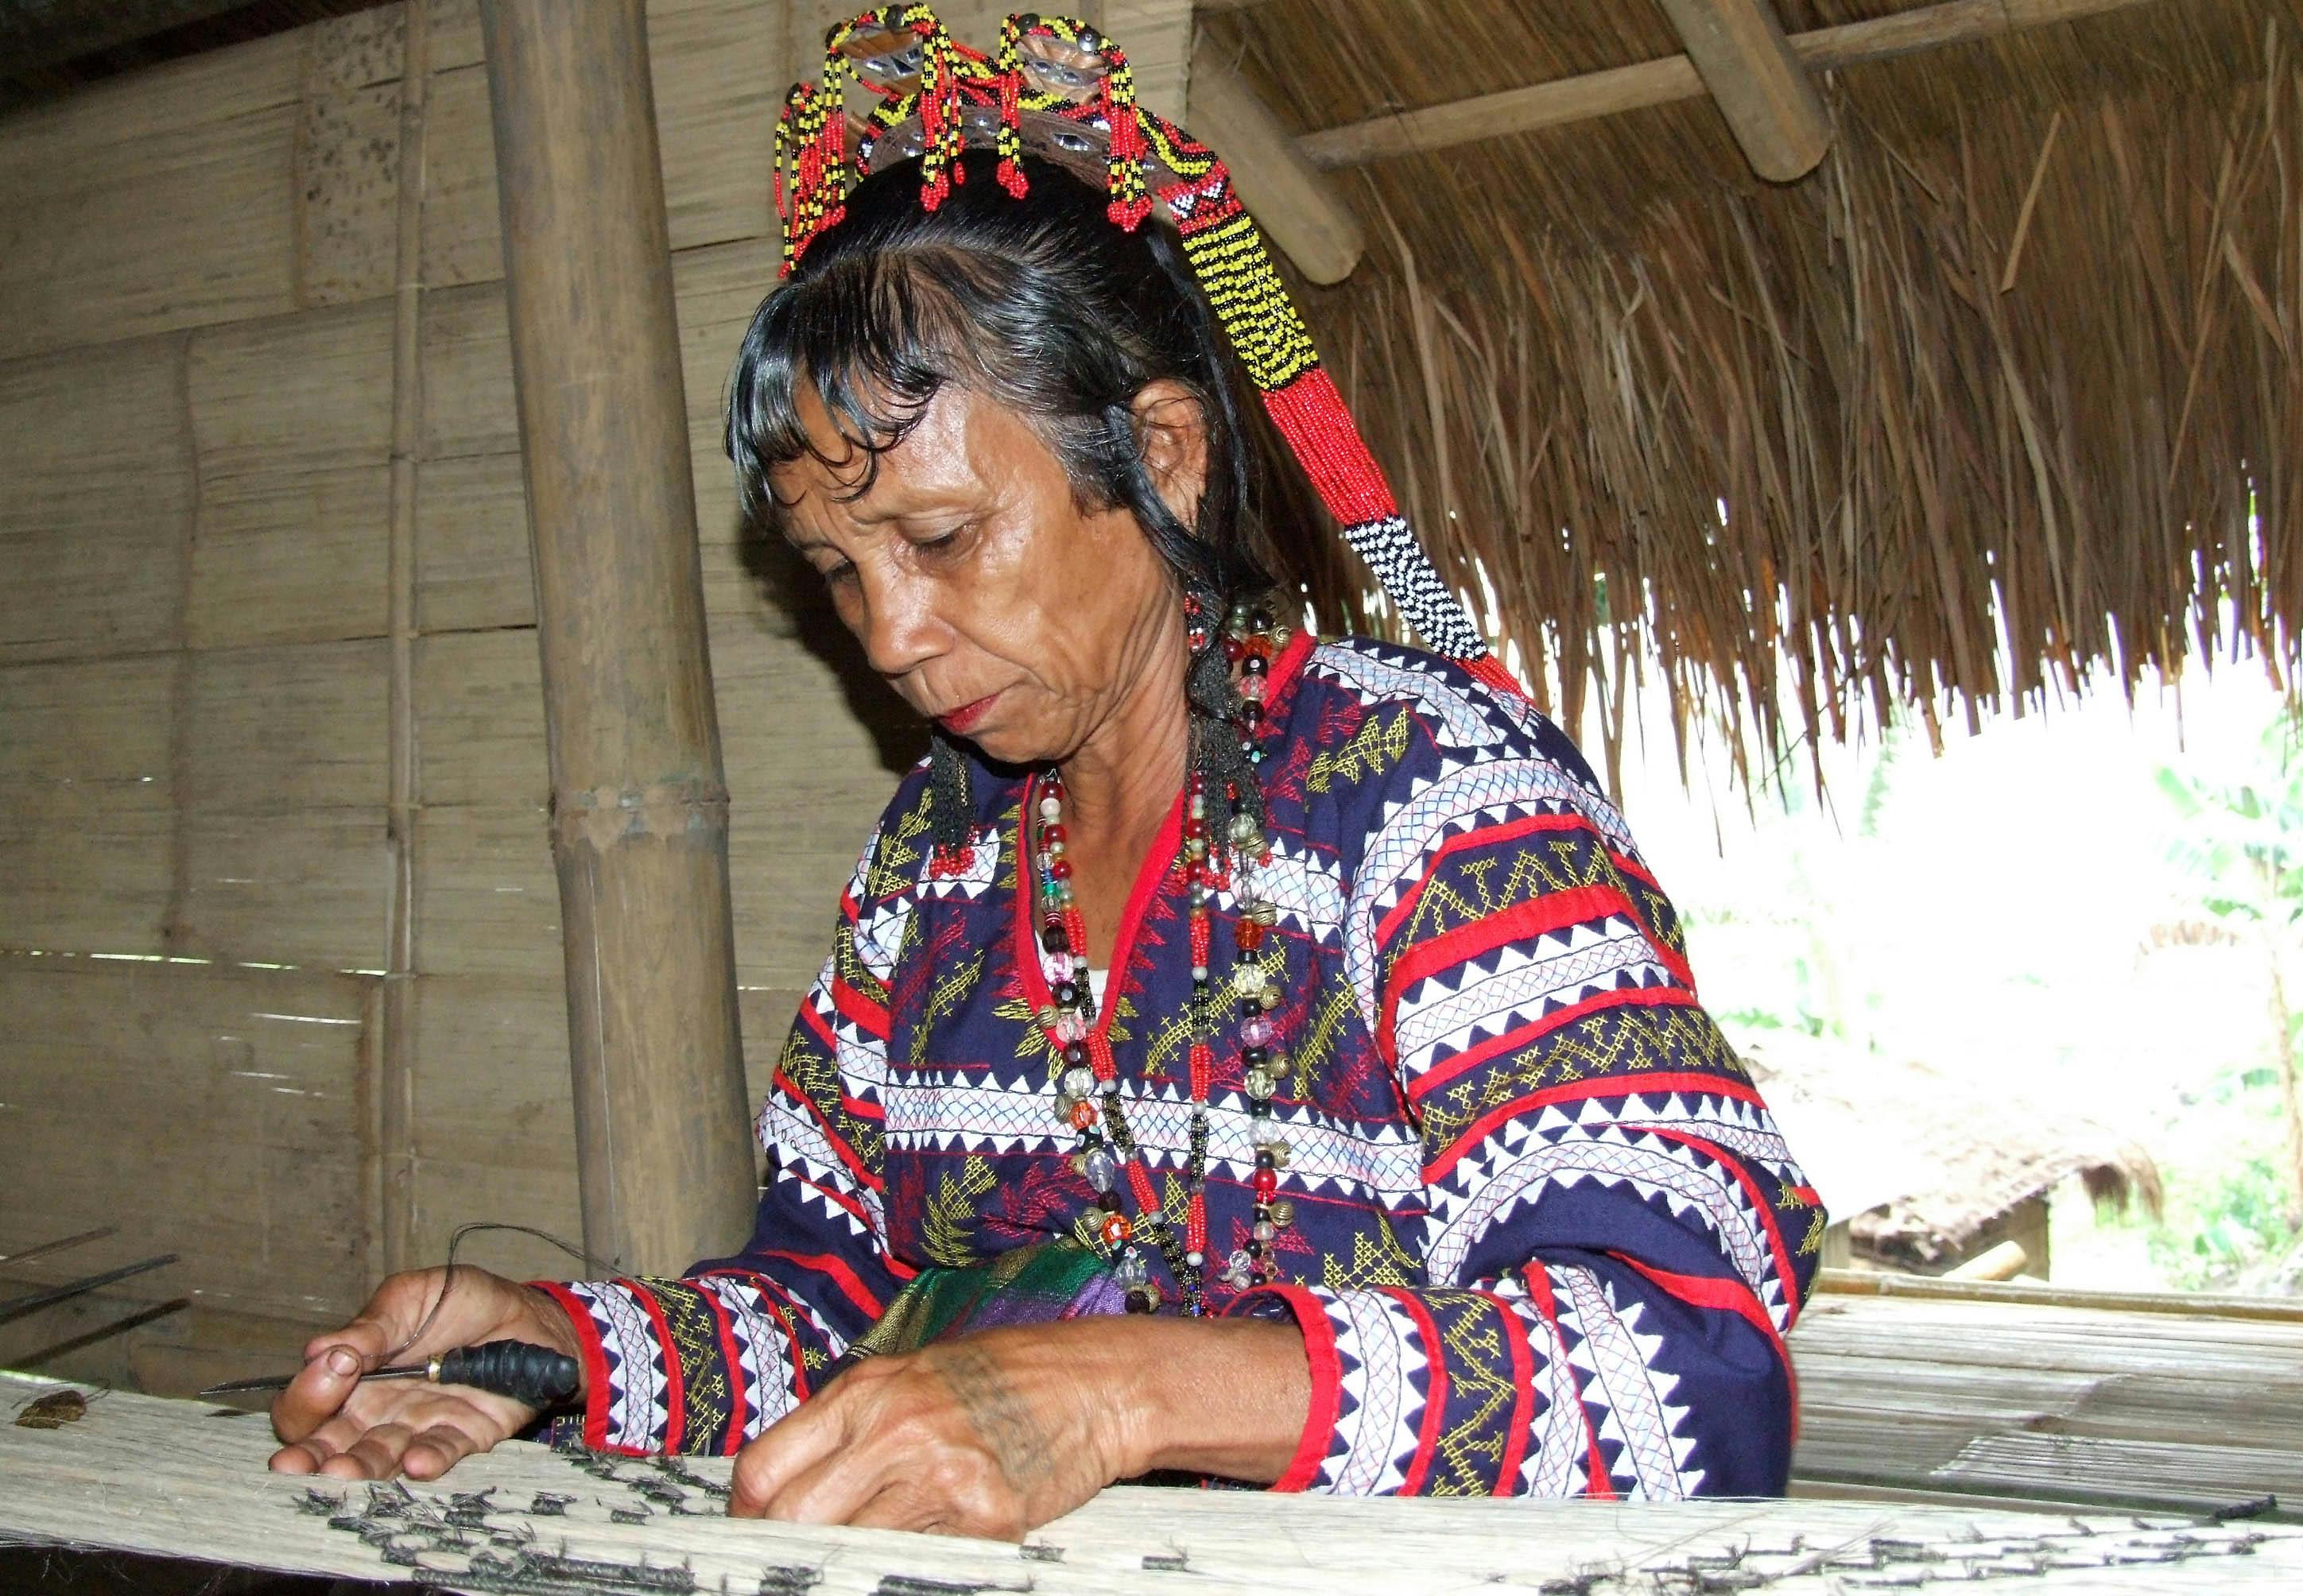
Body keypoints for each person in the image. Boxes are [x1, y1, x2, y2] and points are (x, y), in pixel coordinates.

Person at [267, 7, 1821, 1537]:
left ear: (1162, 455)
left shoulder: (1432, 799)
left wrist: (1121, 1389)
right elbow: (831, 1311)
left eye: (941, 539)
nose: (890, 631)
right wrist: (550, 1341)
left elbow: (1686, 1376)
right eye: (837, 571)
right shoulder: (937, 865)